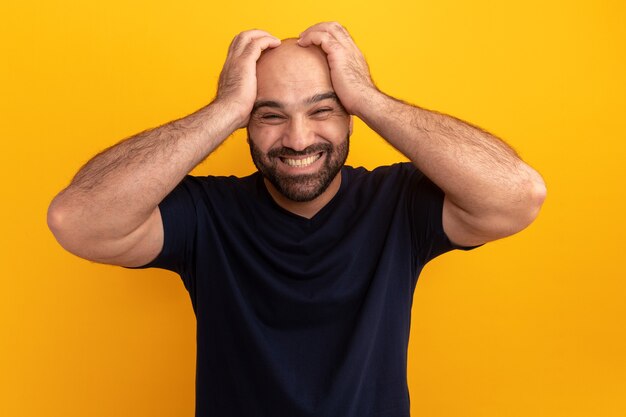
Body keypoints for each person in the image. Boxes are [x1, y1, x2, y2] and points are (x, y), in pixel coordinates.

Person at [48, 22, 546, 417]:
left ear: (350, 114)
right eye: (269, 115)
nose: (298, 138)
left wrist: (370, 96)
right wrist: (223, 108)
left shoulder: (397, 202)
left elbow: (518, 195)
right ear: (245, 123)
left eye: (322, 109)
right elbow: (76, 220)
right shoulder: (206, 214)